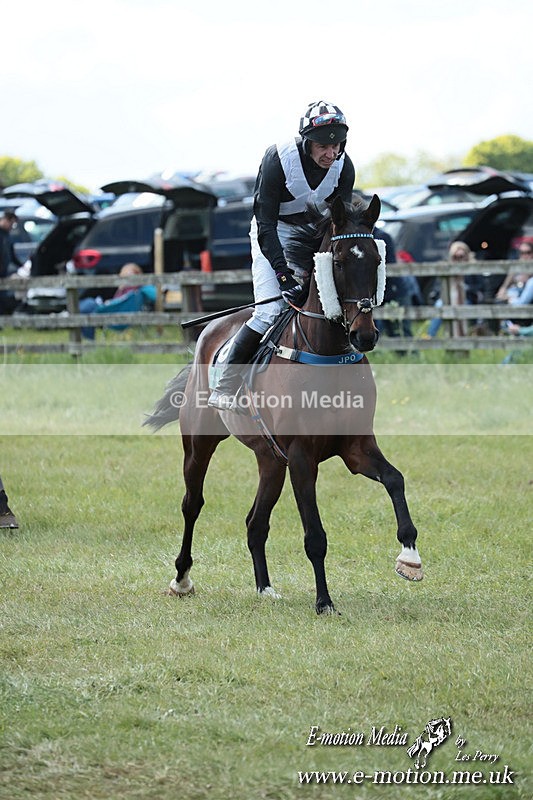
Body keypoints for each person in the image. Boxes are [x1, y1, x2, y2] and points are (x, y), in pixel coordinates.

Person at [208, 101, 356, 410]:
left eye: (337, 144)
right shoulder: (279, 159)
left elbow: (340, 224)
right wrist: (282, 273)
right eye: (323, 145)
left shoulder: (344, 167)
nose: (331, 153)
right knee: (270, 311)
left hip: (313, 235)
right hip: (273, 233)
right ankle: (225, 384)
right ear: (306, 141)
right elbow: (265, 223)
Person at [77, 263, 155, 339]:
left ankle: (88, 341)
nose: (122, 277)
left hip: (111, 311)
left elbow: (155, 294)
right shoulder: (128, 290)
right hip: (109, 310)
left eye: (125, 275)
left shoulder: (137, 291)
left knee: (87, 306)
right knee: (85, 306)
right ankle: (87, 340)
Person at [0, 211, 21, 315]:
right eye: (11, 224)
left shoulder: (7, 236)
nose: (12, 227)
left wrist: (22, 266)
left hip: (3, 274)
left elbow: (11, 255)